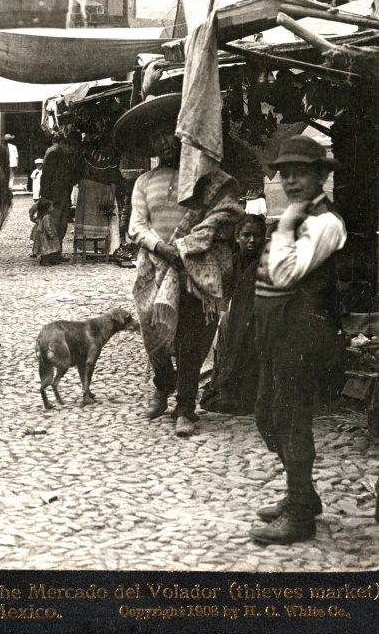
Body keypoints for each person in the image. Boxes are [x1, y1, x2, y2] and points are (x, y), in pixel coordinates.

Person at [250, 135, 346, 545]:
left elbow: (287, 274)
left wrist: (285, 226)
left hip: (305, 334)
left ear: (321, 176)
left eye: (299, 173)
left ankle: (301, 513)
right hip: (279, 331)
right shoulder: (298, 213)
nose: (290, 181)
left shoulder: (324, 222)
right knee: (266, 415)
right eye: (284, 173)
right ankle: (301, 492)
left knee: (290, 418)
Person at [127, 95, 242, 437]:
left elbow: (226, 213)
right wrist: (161, 246)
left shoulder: (205, 180)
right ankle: (163, 384)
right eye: (155, 137)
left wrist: (190, 246)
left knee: (191, 338)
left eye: (168, 135)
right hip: (154, 268)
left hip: (192, 269)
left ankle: (186, 407)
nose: (162, 142)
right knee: (155, 336)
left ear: (182, 138)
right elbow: (136, 224)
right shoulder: (144, 181)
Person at [200, 214, 267, 415]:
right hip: (236, 319)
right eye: (246, 235)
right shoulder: (232, 263)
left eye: (257, 236)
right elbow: (223, 296)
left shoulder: (268, 262)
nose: (252, 240)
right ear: (237, 237)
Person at [39, 130, 83, 263]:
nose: (72, 150)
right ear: (65, 144)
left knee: (62, 225)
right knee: (50, 225)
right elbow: (46, 177)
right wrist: (46, 197)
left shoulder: (64, 155)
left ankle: (57, 252)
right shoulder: (54, 153)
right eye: (71, 147)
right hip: (53, 196)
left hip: (63, 194)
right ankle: (47, 255)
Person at [29, 198, 61, 265]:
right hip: (45, 235)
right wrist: (51, 234)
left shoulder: (44, 216)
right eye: (51, 207)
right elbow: (48, 227)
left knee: (48, 248)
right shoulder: (47, 217)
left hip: (44, 235)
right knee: (46, 248)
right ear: (47, 208)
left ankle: (49, 259)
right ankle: (44, 261)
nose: (53, 208)